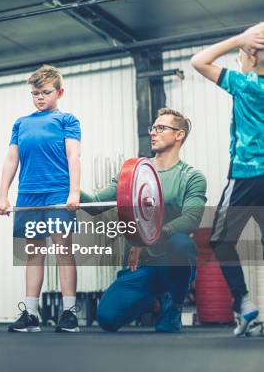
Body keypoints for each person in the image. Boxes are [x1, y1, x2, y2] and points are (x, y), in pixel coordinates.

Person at [84, 108, 206, 333]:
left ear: (179, 135)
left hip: (171, 263)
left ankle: (174, 307)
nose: (153, 133)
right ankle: (150, 298)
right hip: (142, 267)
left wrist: (148, 239)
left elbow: (191, 219)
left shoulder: (191, 177)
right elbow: (95, 205)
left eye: (161, 128)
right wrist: (67, 188)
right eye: (153, 128)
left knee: (182, 244)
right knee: (107, 319)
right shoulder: (134, 172)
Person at [0, 64, 81, 333]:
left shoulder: (68, 121)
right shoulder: (21, 123)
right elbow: (11, 159)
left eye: (45, 92)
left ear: (60, 91)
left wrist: (74, 192)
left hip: (57, 192)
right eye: (35, 93)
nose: (40, 97)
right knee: (33, 253)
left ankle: (69, 313)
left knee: (63, 250)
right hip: (28, 195)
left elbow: (73, 156)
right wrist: (2, 195)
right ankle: (31, 314)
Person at [191, 22, 264, 336]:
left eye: (240, 52)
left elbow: (198, 61)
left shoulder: (245, 83)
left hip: (247, 175)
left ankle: (244, 302)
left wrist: (238, 38)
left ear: (250, 52)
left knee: (221, 240)